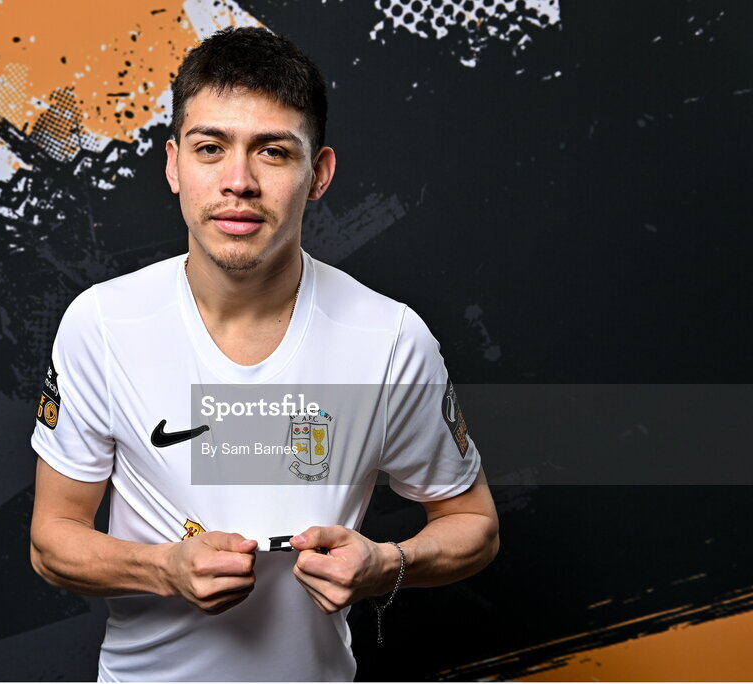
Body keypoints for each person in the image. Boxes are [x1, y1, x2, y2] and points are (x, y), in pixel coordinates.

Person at [29, 26, 499, 682]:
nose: (238, 181)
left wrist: (387, 565)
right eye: (210, 148)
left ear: (319, 174)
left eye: (273, 152)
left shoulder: (390, 340)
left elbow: (473, 522)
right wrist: (162, 568)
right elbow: (51, 539)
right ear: (172, 164)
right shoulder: (102, 325)